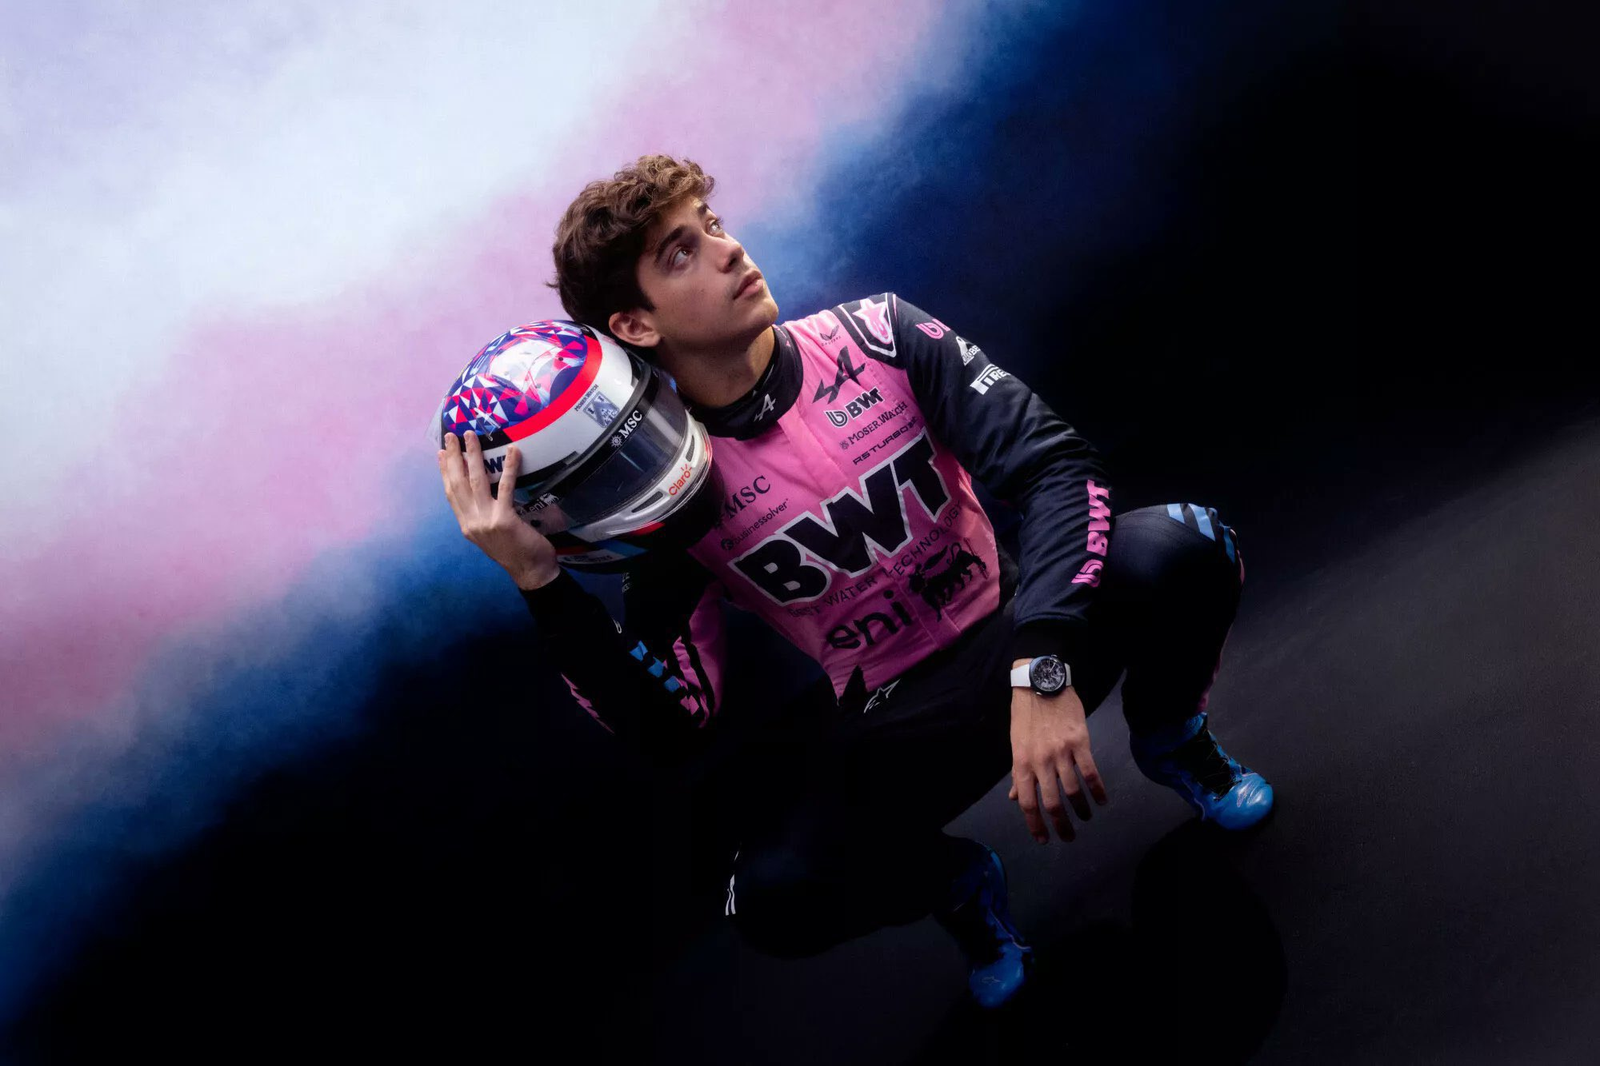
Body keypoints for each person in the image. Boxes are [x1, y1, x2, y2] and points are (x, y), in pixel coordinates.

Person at [436, 154, 1274, 1009]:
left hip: (1022, 629)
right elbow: (674, 727)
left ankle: (1171, 735)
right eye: (682, 253)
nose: (729, 250)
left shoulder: (878, 335)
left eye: (712, 225)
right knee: (773, 898)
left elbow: (1054, 469)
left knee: (1185, 544)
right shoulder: (671, 486)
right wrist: (543, 585)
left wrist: (1043, 665)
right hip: (899, 724)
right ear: (635, 324)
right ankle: (954, 884)